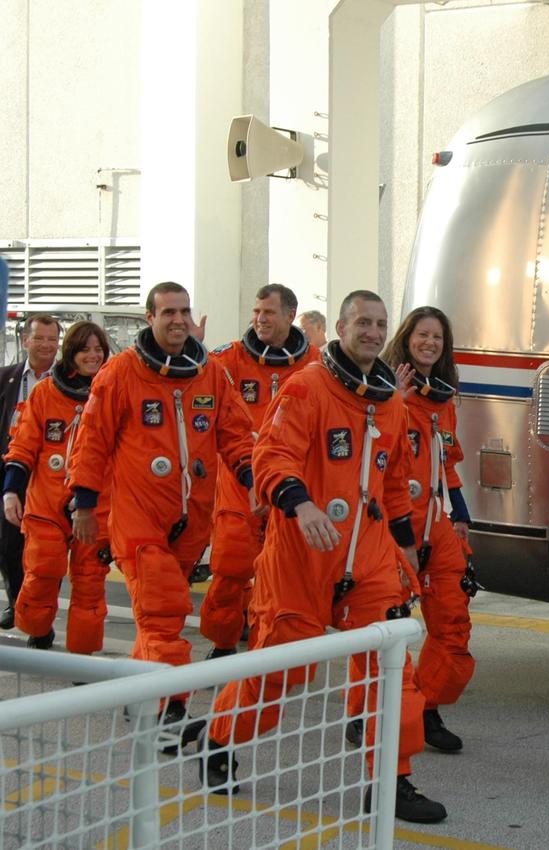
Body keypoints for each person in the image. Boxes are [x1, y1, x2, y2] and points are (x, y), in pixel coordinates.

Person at [202, 290, 445, 824]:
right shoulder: (307, 387)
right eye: (363, 322)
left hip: (371, 558)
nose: (373, 332)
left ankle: (392, 782)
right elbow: (270, 455)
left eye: (381, 324)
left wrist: (405, 547)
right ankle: (217, 741)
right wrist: (302, 504)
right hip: (301, 555)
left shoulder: (391, 401)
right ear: (340, 325)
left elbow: (395, 482)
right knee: (279, 673)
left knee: (393, 670)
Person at [68, 282, 255, 725]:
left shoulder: (209, 373)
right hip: (138, 518)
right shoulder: (120, 374)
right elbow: (91, 442)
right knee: (165, 608)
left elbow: (236, 435)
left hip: (191, 520)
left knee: (156, 621)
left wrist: (257, 481)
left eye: (184, 311)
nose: (178, 320)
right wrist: (84, 506)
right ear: (149, 317)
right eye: (168, 311)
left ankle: (141, 690)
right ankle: (171, 706)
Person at [363, 306, 474, 753]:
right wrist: (395, 402)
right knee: (388, 629)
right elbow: (368, 454)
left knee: (453, 622)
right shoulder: (381, 391)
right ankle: (370, 713)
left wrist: (462, 515)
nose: (430, 343)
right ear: (407, 339)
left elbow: (447, 464)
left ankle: (426, 708)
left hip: (435, 524)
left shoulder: (442, 401)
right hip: (391, 526)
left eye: (438, 337)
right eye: (422, 335)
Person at [199, 284, 319, 658]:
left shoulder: (314, 363)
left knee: (283, 573)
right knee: (231, 567)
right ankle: (222, 644)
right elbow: (196, 383)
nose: (260, 319)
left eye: (268, 312)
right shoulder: (229, 359)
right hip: (239, 482)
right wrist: (192, 350)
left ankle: (268, 646)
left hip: (289, 485)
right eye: (256, 312)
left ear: (289, 315)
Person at [2, 322, 112, 652]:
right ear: (72, 353)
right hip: (47, 501)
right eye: (85, 350)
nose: (93, 356)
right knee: (41, 572)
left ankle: (82, 652)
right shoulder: (46, 393)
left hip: (95, 505)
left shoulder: (114, 391)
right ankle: (38, 629)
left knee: (90, 581)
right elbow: (22, 447)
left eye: (99, 350)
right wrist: (11, 491)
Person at [0, 314, 60, 630]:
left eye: (52, 339)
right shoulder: (6, 377)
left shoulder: (68, 379)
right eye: (39, 338)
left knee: (42, 550)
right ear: (26, 340)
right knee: (8, 543)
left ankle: (36, 611)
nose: (46, 345)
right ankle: (16, 601)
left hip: (50, 475)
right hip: (10, 468)